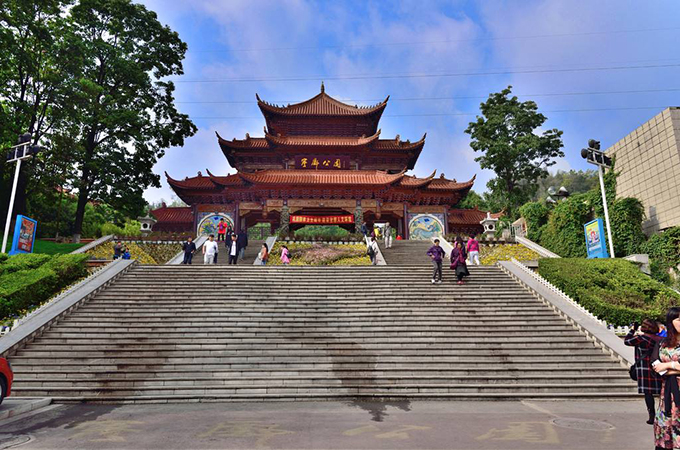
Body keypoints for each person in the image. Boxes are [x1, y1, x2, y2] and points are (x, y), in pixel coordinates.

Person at [625, 319, 663, 425]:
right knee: (662, 391)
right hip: (658, 367)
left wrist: (632, 330)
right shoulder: (661, 339)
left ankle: (652, 415)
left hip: (644, 368)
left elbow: (627, 341)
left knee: (648, 393)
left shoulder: (641, 338)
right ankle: (663, 413)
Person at [653, 307, 680, 449]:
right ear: (671, 322)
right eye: (679, 319)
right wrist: (673, 370)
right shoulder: (662, 343)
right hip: (667, 394)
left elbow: (663, 366)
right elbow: (656, 366)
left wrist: (669, 365)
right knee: (665, 425)